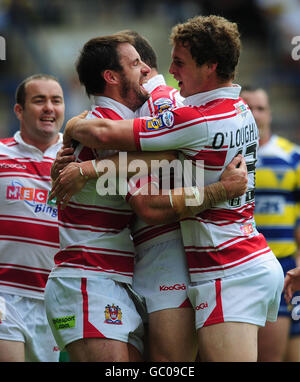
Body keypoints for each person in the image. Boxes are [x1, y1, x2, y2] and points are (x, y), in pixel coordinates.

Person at [61, 15, 284, 362]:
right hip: (228, 257)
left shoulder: (185, 114)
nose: (167, 71)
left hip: (215, 264)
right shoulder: (236, 108)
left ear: (208, 67)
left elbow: (147, 197)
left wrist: (85, 154)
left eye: (177, 63)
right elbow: (169, 151)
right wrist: (79, 139)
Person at [0, 74, 65, 362]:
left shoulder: (81, 158)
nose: (49, 108)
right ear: (19, 110)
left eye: (56, 100)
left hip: (58, 300)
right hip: (6, 296)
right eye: (39, 100)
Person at [241, 86, 300, 362]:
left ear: (270, 113)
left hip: (286, 267)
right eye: (248, 107)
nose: (254, 114)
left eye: (260, 108)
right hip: (243, 271)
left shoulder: (292, 157)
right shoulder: (230, 160)